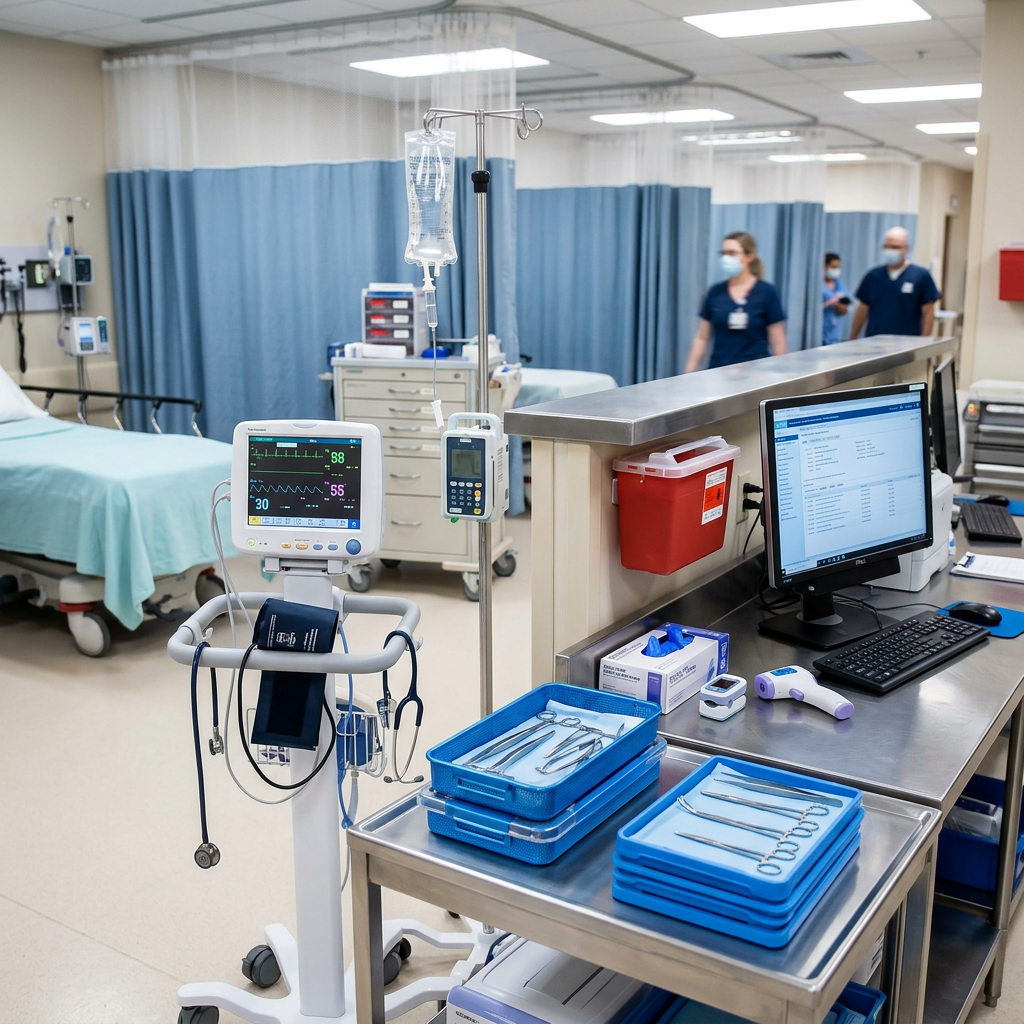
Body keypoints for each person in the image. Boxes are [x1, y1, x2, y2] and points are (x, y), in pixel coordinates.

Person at [684, 232, 787, 371]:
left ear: (749, 256)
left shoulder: (766, 292)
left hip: (757, 376)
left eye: (732, 253)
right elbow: (702, 338)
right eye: (724, 253)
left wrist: (781, 376)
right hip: (718, 373)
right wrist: (689, 372)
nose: (726, 258)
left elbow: (777, 341)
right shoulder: (716, 292)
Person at [849, 227, 940, 339]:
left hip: (907, 342)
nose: (891, 250)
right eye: (887, 247)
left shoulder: (920, 275)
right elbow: (862, 308)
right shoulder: (873, 276)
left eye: (895, 247)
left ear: (907, 248)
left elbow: (928, 311)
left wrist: (924, 341)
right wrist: (853, 336)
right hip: (875, 341)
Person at [822, 252, 852, 345]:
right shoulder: (818, 286)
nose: (836, 270)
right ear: (824, 266)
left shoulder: (839, 285)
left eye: (838, 267)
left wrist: (837, 304)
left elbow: (846, 308)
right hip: (820, 334)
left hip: (834, 336)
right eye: (833, 267)